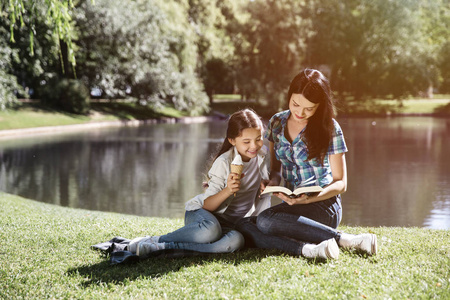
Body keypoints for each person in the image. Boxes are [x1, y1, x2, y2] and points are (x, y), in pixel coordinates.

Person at [127, 109, 340, 259]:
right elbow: (207, 206)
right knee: (209, 231)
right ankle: (157, 242)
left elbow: (269, 181)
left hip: (237, 224)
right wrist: (228, 190)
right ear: (232, 141)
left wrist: (270, 184)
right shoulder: (223, 163)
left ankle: (173, 248)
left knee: (235, 243)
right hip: (205, 216)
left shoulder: (263, 157)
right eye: (246, 142)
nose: (254, 146)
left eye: (258, 139)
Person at [235, 69, 377, 259]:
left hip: (324, 205)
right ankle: (309, 249)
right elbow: (276, 170)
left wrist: (311, 198)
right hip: (294, 205)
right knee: (245, 225)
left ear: (320, 106)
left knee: (266, 221)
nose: (300, 112)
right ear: (289, 96)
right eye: (295, 104)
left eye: (309, 108)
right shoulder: (277, 123)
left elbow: (341, 183)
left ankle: (345, 239)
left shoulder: (330, 128)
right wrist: (271, 182)